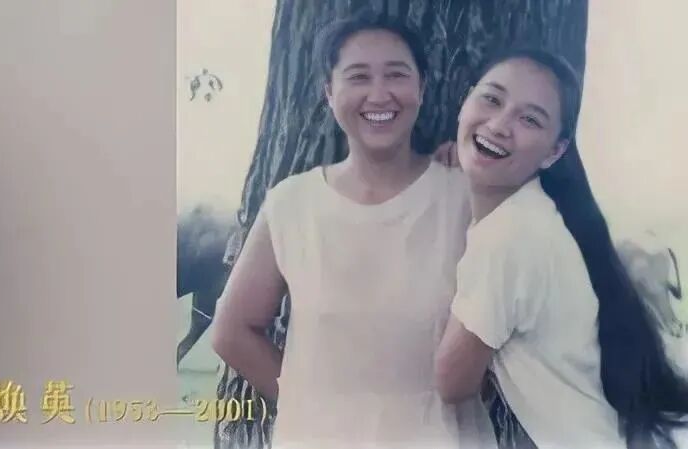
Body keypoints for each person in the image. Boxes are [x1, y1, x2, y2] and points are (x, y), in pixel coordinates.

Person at [212, 13, 495, 449]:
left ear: (421, 88)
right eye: (358, 76)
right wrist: (309, 405)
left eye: (396, 75)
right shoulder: (292, 205)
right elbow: (231, 331)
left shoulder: (466, 198)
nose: (379, 94)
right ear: (329, 92)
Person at [434, 48, 688, 449]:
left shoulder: (509, 236)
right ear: (465, 100)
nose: (499, 125)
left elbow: (452, 382)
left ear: (555, 151)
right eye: (492, 99)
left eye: (530, 119)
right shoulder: (537, 213)